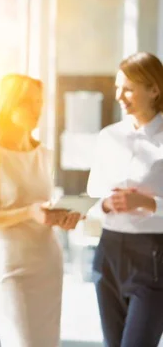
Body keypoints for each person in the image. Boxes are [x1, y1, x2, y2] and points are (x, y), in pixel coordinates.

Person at [0, 74, 82, 347]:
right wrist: (28, 213)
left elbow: (41, 207)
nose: (36, 109)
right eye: (28, 102)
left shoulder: (44, 154)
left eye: (39, 102)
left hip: (48, 263)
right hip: (13, 268)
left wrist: (61, 218)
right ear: (9, 105)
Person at [86, 51, 163, 347]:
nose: (119, 96)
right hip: (108, 252)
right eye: (118, 87)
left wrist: (146, 204)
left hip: (153, 255)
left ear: (154, 89)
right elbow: (94, 196)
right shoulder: (108, 137)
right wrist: (106, 204)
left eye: (128, 88)